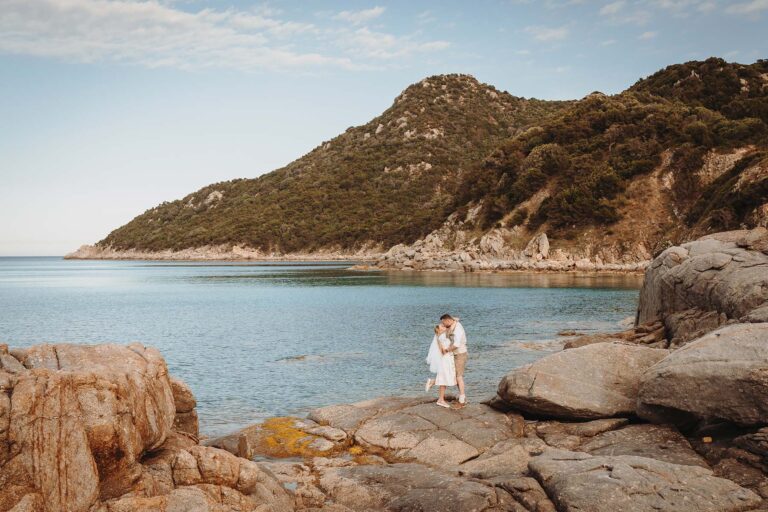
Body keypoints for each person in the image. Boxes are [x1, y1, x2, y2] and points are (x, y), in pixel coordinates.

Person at [425, 324, 456, 408]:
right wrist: (450, 349)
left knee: (446, 378)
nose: (444, 326)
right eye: (442, 326)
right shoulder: (441, 338)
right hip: (445, 360)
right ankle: (440, 400)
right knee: (444, 380)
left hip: (447, 359)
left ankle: (432, 382)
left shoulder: (442, 336)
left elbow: (452, 325)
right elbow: (442, 351)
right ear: (439, 330)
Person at [441, 313, 468, 405]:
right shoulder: (452, 324)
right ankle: (461, 395)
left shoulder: (458, 329)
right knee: (454, 375)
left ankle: (462, 397)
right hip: (454, 354)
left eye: (443, 323)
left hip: (460, 354)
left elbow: (456, 344)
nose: (443, 325)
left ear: (448, 320)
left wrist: (446, 350)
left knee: (458, 376)